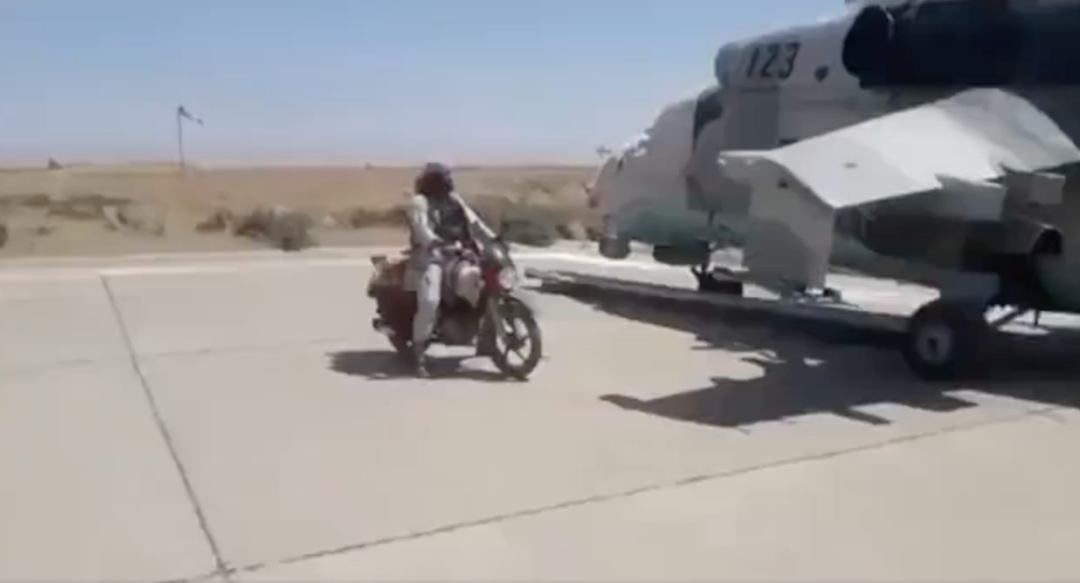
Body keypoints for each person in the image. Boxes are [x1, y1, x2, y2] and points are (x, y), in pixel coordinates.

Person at [404, 162, 496, 377]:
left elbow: (474, 222)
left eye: (447, 177)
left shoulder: (453, 200)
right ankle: (419, 353)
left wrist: (493, 238)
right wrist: (434, 241)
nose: (446, 182)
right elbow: (421, 228)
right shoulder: (419, 202)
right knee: (430, 301)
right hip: (430, 256)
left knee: (487, 286)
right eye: (441, 178)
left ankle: (485, 338)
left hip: (459, 253)